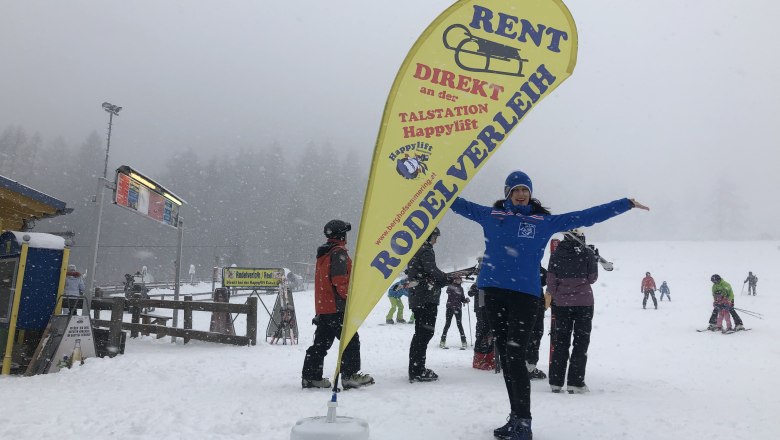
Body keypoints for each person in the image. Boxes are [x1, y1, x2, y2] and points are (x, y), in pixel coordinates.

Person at [449, 169, 648, 440]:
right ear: (507, 193)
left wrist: (623, 204)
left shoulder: (541, 221)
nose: (521, 194)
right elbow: (452, 202)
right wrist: (423, 183)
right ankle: (515, 416)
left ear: (530, 194)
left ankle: (523, 421)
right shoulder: (491, 215)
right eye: (516, 190)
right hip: (493, 293)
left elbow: (585, 216)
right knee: (506, 358)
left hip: (526, 296)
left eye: (525, 190)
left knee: (515, 356)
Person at [301, 219, 374, 390]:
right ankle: (349, 376)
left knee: (321, 344)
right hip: (337, 307)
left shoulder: (324, 254)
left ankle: (311, 377)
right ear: (341, 234)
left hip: (324, 308)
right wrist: (352, 298)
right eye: (345, 233)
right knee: (350, 340)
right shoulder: (338, 253)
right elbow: (340, 281)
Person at [546, 230, 598, 394]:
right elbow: (592, 278)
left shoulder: (556, 254)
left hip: (562, 304)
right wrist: (593, 260)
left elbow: (551, 281)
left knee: (560, 342)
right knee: (581, 342)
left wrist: (557, 295)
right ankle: (575, 382)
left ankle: (556, 381)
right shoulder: (587, 253)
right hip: (584, 303)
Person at [407, 227, 451, 383]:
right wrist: (446, 279)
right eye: (435, 237)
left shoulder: (416, 250)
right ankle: (417, 370)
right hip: (426, 298)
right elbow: (431, 270)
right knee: (425, 333)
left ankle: (415, 368)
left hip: (417, 297)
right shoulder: (425, 249)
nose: (436, 240)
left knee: (420, 333)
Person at [525, 267, 547, 380]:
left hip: (520, 300)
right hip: (535, 300)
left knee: (522, 335)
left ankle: (522, 366)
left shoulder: (517, 262)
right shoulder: (535, 266)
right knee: (535, 335)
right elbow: (546, 278)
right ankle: (530, 367)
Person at [439, 276, 469, 349]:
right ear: (454, 280)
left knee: (459, 324)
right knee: (447, 324)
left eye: (459, 280)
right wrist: (452, 284)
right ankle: (442, 340)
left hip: (458, 308)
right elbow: (448, 291)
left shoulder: (461, 288)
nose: (459, 281)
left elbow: (462, 298)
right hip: (450, 308)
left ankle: (464, 341)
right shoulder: (450, 287)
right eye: (457, 280)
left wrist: (466, 300)